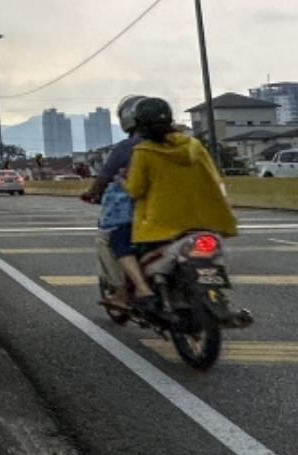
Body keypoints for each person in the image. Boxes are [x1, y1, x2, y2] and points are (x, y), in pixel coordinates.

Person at [123, 97, 236, 250]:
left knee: (139, 258)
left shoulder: (143, 151)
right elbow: (214, 177)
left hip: (160, 227)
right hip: (204, 222)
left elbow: (135, 190)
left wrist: (124, 180)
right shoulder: (194, 145)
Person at [85, 94, 154, 307]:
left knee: (110, 240)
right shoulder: (186, 144)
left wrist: (93, 192)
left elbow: (105, 179)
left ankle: (124, 292)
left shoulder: (131, 147)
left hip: (147, 216)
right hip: (191, 215)